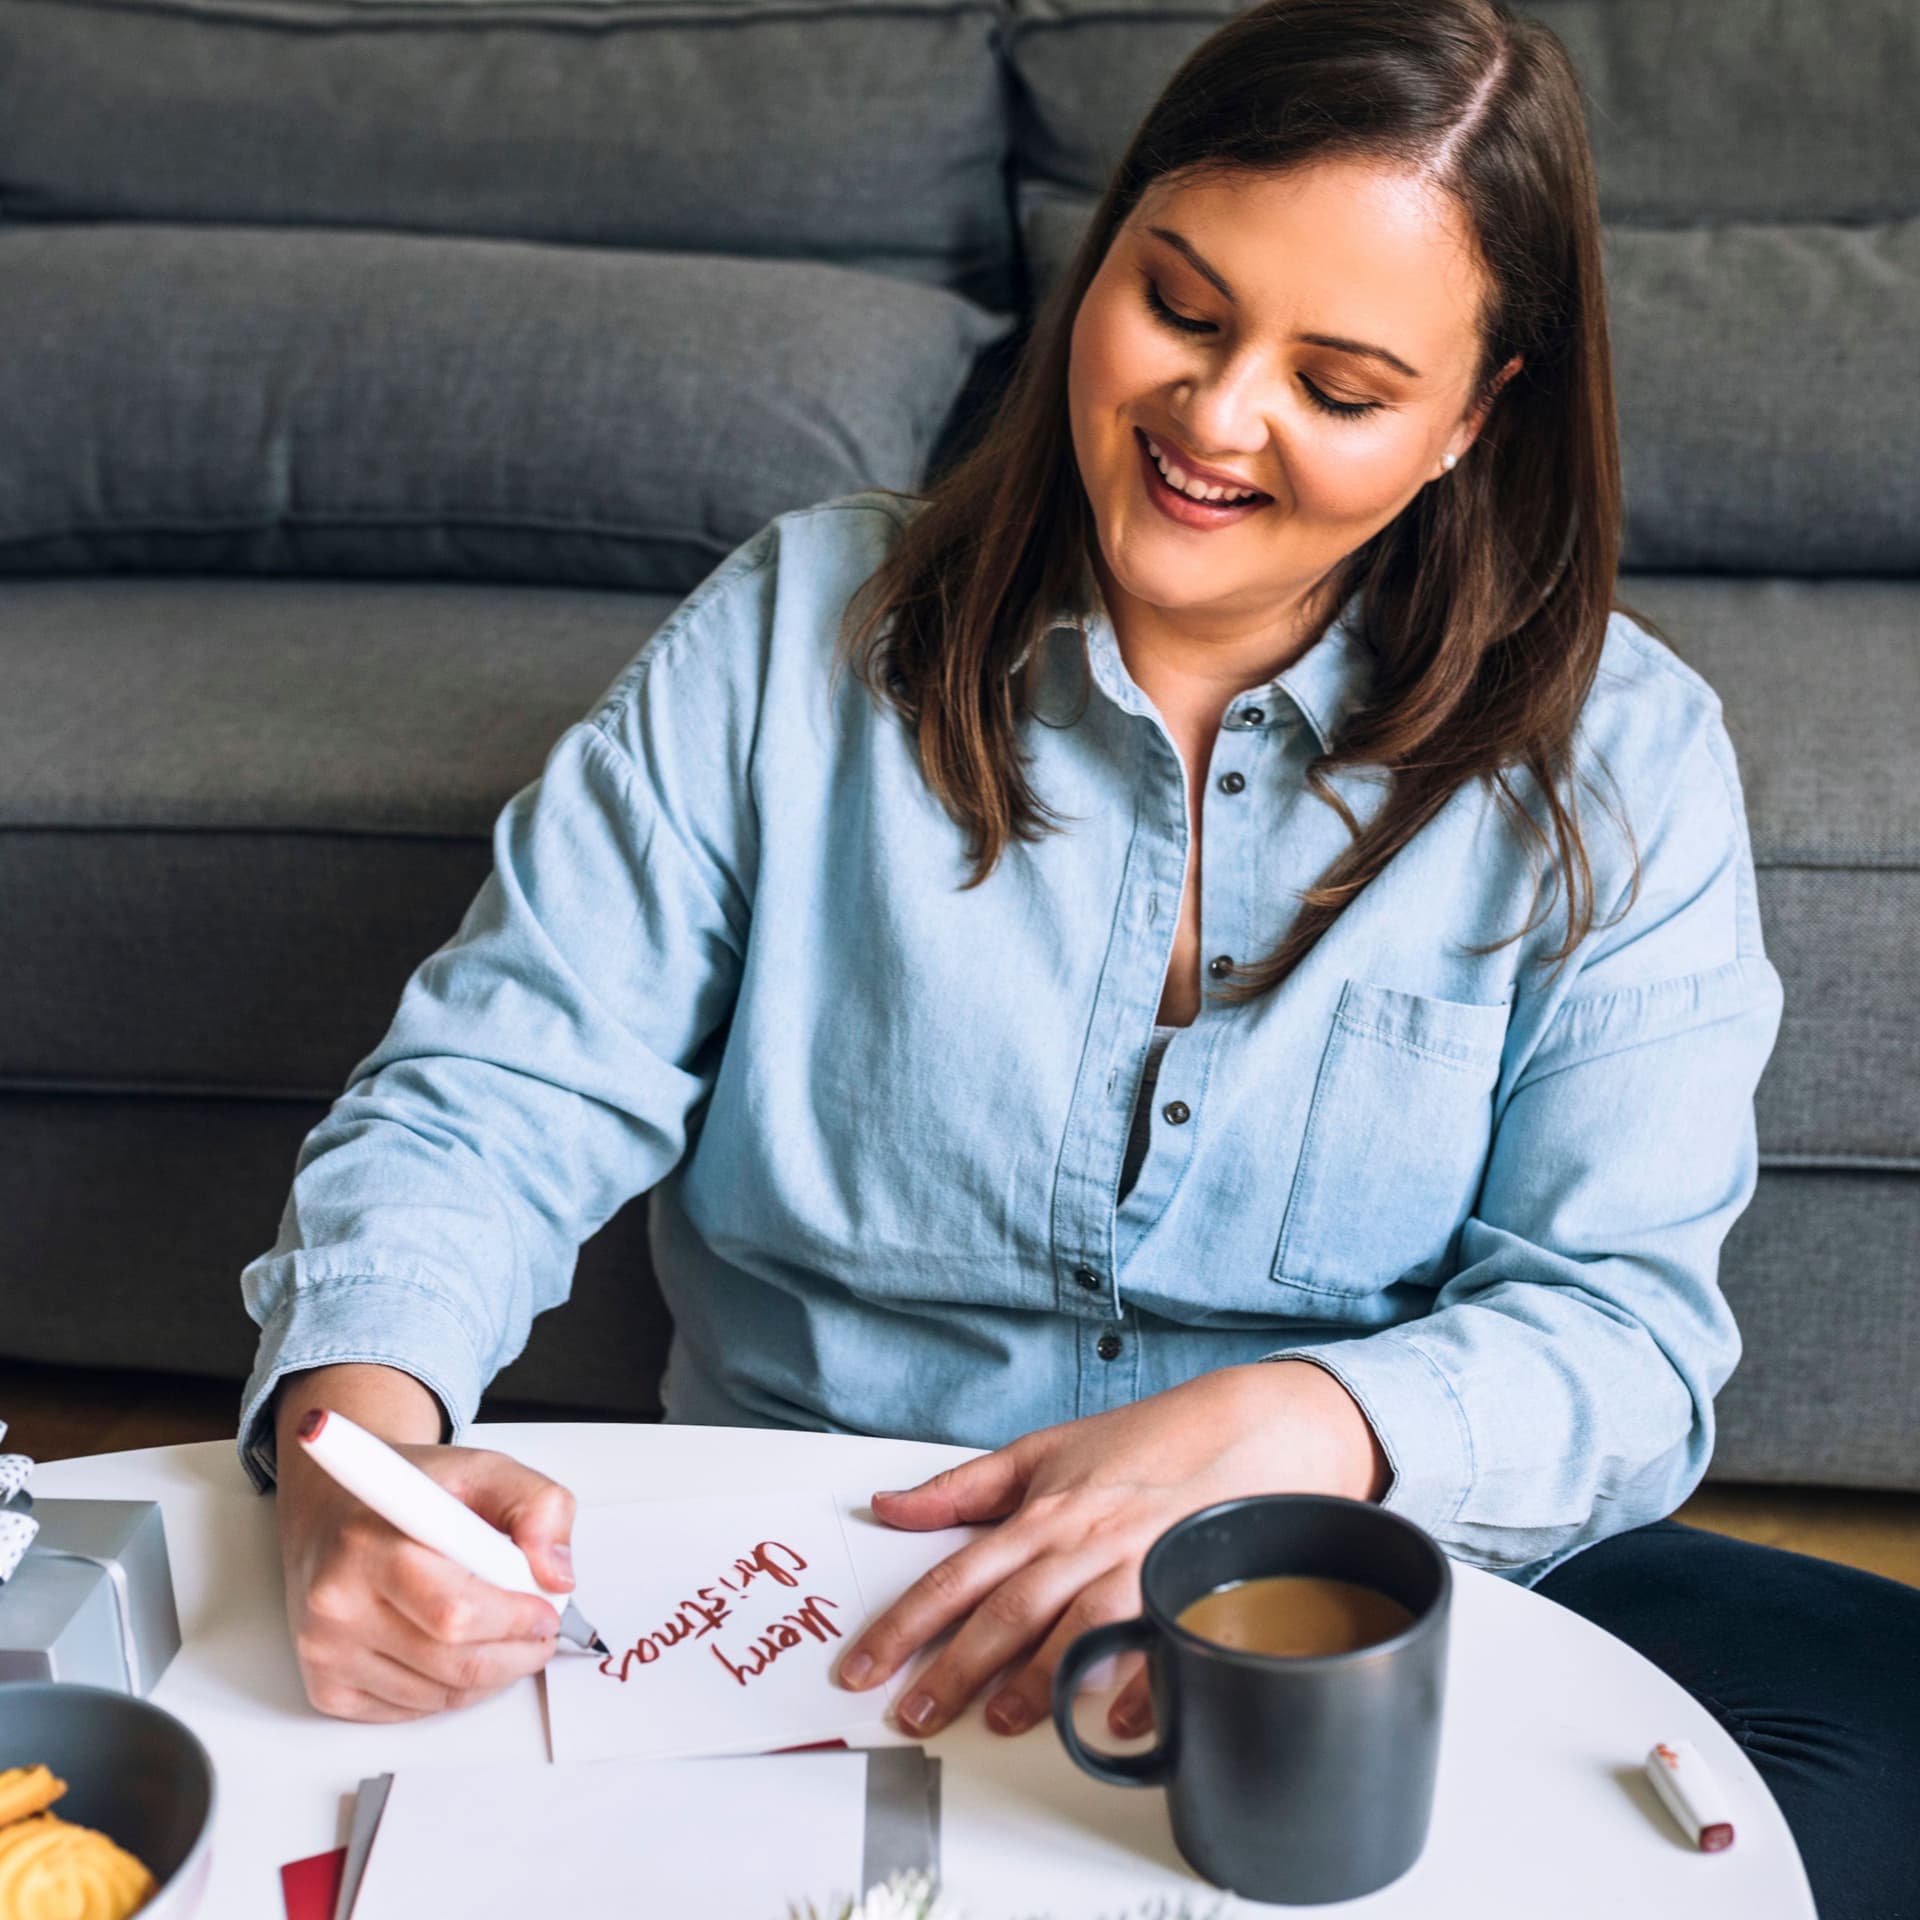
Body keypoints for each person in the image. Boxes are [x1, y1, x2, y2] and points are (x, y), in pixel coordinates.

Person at [236, 1, 1916, 1911]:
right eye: (1182, 309)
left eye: (1341, 387)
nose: (1214, 420)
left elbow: (1623, 1332)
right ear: (1103, 252)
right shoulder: (791, 634)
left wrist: (1310, 1420)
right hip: (824, 1591)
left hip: (1315, 1596)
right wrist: (356, 1431)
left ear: (1473, 418)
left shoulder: (1620, 757)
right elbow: (499, 1089)